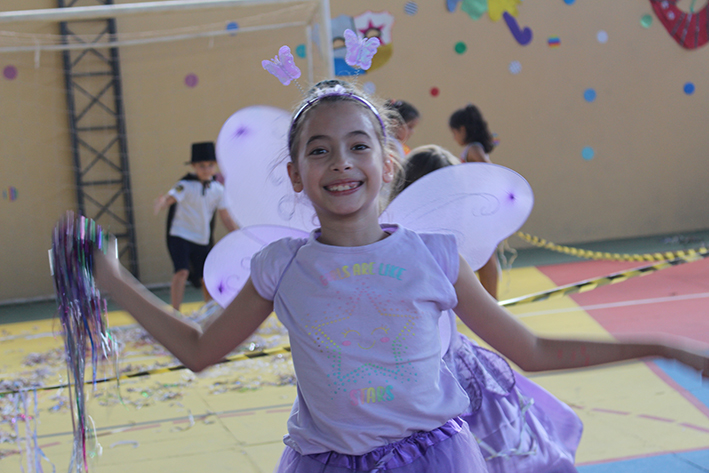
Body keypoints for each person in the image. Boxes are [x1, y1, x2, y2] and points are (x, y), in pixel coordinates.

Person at [93, 80, 709, 473]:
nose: (341, 162)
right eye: (319, 150)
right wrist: (115, 280)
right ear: (296, 174)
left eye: (358, 146)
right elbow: (200, 350)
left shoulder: (436, 258)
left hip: (434, 461)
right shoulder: (281, 267)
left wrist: (663, 346)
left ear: (387, 163)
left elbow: (533, 350)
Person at [394, 144, 584, 472]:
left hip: (444, 372)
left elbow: (527, 345)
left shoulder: (446, 250)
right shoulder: (409, 251)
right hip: (424, 383)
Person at [153, 142, 239, 311]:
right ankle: (175, 312)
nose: (206, 169)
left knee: (206, 276)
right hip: (180, 235)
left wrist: (239, 234)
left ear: (215, 166)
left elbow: (226, 217)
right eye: (201, 166)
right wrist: (162, 203)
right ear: (193, 166)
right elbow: (171, 198)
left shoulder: (218, 189)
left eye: (210, 165)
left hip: (202, 238)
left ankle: (210, 310)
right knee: (182, 271)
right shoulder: (185, 185)